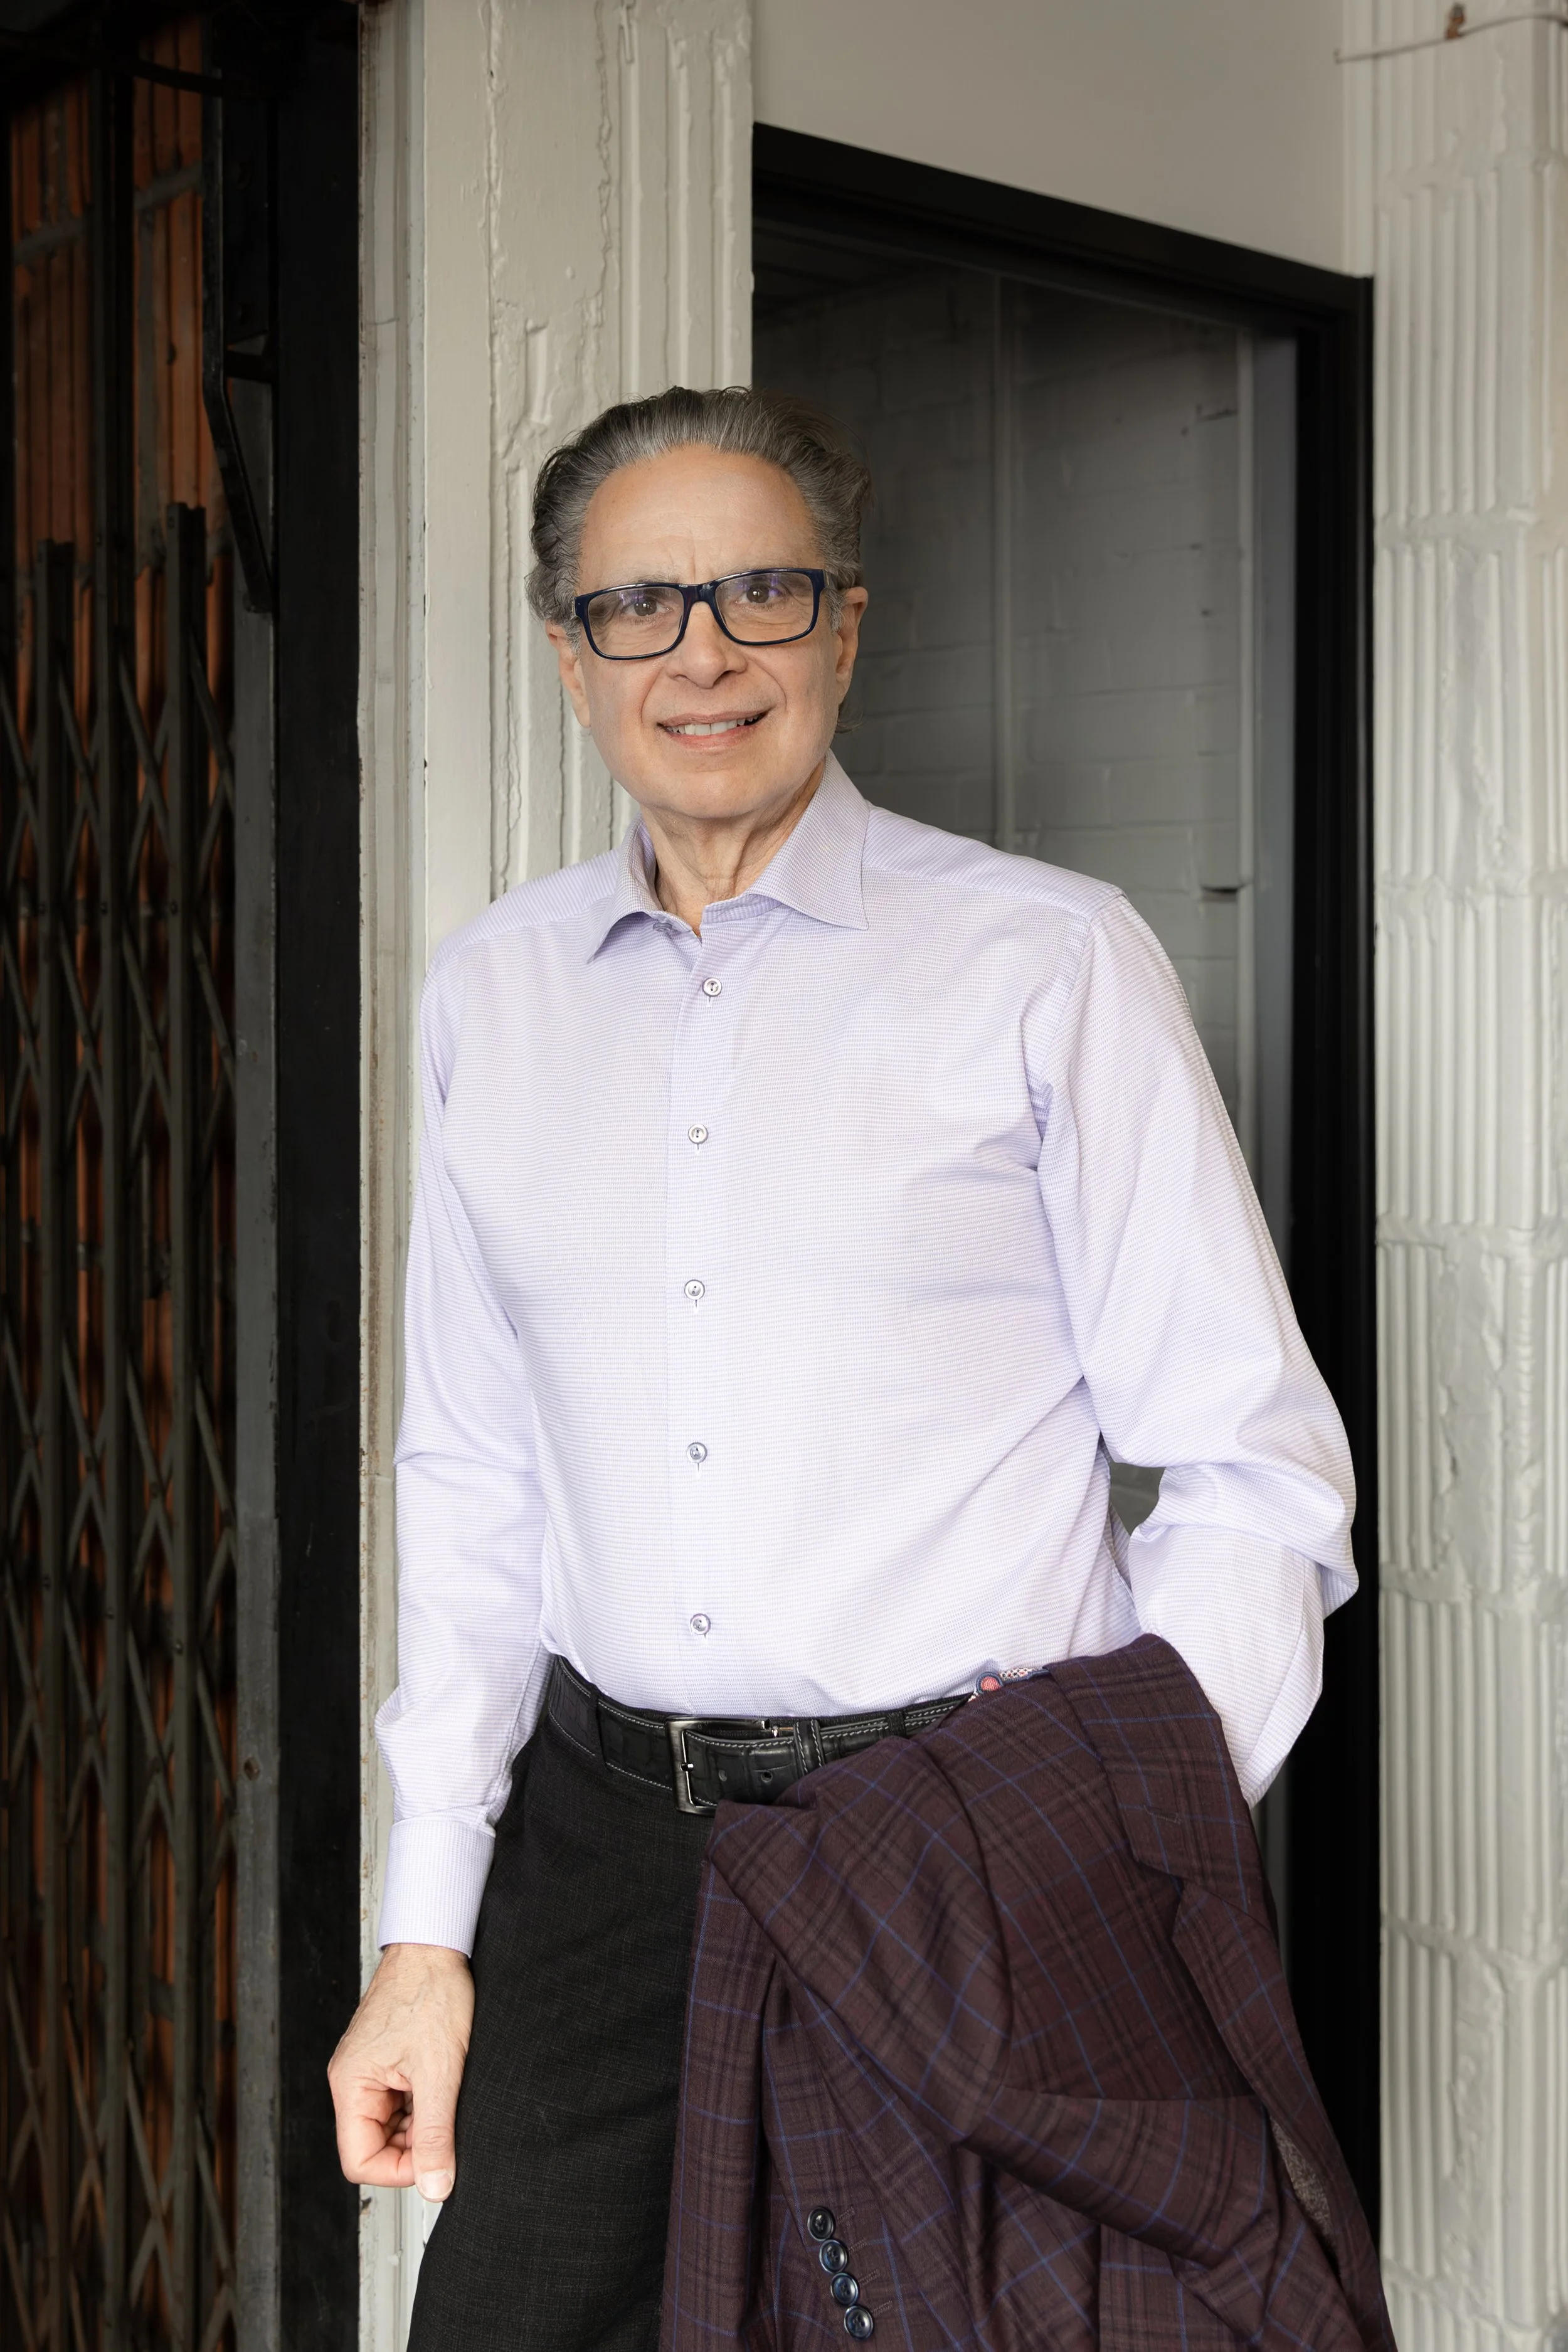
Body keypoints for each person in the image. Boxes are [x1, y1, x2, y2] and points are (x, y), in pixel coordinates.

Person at [328, 385, 1356, 2352]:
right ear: (568, 651)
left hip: (951, 1838)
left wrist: (1093, 1831)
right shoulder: (496, 990)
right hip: (605, 1852)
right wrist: (425, 1936)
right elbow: (474, 1484)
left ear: (844, 627)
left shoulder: (1043, 957)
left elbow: (1252, 1470)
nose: (700, 652)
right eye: (637, 605)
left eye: (757, 591)